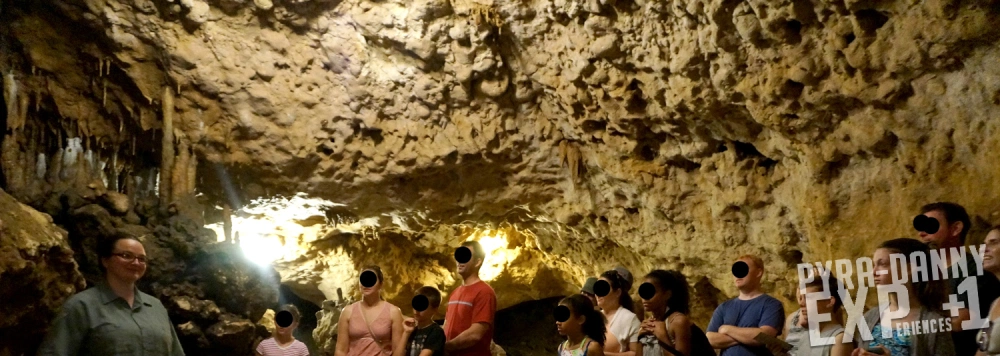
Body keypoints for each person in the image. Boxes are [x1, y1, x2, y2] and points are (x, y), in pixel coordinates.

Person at [37, 233, 185, 356]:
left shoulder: (155, 307)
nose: (136, 263)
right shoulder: (82, 306)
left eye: (142, 259)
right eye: (126, 255)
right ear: (105, 261)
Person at [917, 202, 1000, 356]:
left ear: (955, 229)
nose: (922, 233)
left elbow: (961, 321)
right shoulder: (923, 273)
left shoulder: (974, 269)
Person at [854, 238, 955, 356]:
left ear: (908, 269)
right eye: (873, 265)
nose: (874, 272)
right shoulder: (869, 318)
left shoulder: (934, 323)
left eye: (883, 264)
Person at [706, 254, 786, 356]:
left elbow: (764, 337)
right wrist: (747, 337)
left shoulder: (771, 305)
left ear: (758, 272)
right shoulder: (724, 307)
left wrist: (727, 329)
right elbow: (710, 339)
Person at [639, 270, 713, 356]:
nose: (645, 298)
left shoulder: (678, 321)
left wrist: (662, 336)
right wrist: (640, 337)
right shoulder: (651, 322)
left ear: (667, 295)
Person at [444, 241, 498, 356]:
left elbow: (475, 334)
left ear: (477, 262)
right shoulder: (455, 293)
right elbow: (447, 324)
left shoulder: (484, 292)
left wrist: (447, 347)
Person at [336, 266, 404, 356]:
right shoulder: (348, 312)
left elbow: (397, 350)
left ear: (381, 284)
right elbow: (341, 350)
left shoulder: (393, 312)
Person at [781, 269, 851, 356]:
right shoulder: (807, 335)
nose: (802, 304)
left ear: (829, 302)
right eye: (802, 298)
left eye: (809, 298)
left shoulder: (839, 339)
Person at [597, 270, 641, 356]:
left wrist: (602, 354)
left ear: (617, 292)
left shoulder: (630, 319)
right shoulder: (593, 317)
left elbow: (636, 353)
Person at [394, 286, 446, 356]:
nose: (417, 310)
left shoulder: (435, 331)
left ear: (434, 310)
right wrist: (406, 333)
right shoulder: (412, 330)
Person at [976, 228, 1000, 355]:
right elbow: (983, 348)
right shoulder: (995, 304)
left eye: (994, 242)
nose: (984, 249)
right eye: (984, 244)